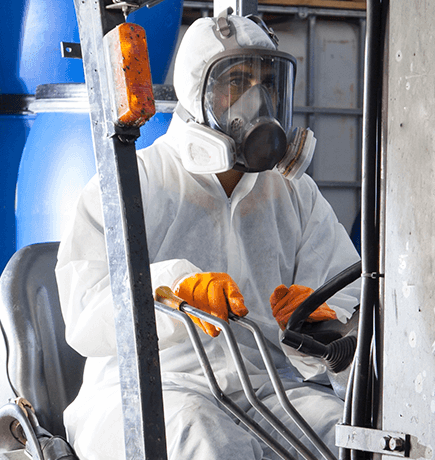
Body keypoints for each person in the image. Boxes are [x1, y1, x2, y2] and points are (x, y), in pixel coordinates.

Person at [55, 12, 361, 460]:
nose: (257, 101)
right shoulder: (135, 180)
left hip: (268, 389)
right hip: (152, 391)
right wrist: (173, 291)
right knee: (208, 443)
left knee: (347, 437)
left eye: (267, 83)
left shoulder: (293, 192)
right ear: (199, 94)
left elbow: (350, 304)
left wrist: (322, 325)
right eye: (237, 81)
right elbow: (85, 315)